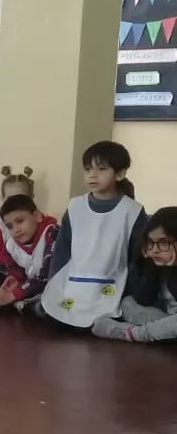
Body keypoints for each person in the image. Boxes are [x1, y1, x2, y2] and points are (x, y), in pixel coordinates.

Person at [41, 141, 147, 329]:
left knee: (118, 313)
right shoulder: (75, 206)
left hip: (113, 287)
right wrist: (54, 284)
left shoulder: (132, 211)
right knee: (54, 313)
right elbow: (62, 250)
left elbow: (137, 258)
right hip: (74, 286)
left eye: (101, 169)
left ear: (120, 173)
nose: (92, 175)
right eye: (88, 169)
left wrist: (132, 291)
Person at [93, 207, 177, 343]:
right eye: (151, 242)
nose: (154, 250)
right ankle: (164, 334)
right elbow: (143, 299)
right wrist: (152, 268)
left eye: (163, 242)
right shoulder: (161, 264)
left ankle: (133, 333)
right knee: (128, 303)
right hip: (168, 320)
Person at [0, 194, 58, 311]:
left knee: (68, 302)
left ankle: (21, 304)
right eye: (10, 226)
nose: (16, 230)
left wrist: (16, 293)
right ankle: (22, 305)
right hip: (29, 287)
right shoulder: (11, 245)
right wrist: (14, 280)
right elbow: (16, 269)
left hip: (53, 287)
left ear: (37, 216)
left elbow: (46, 275)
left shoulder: (52, 233)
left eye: (20, 221)